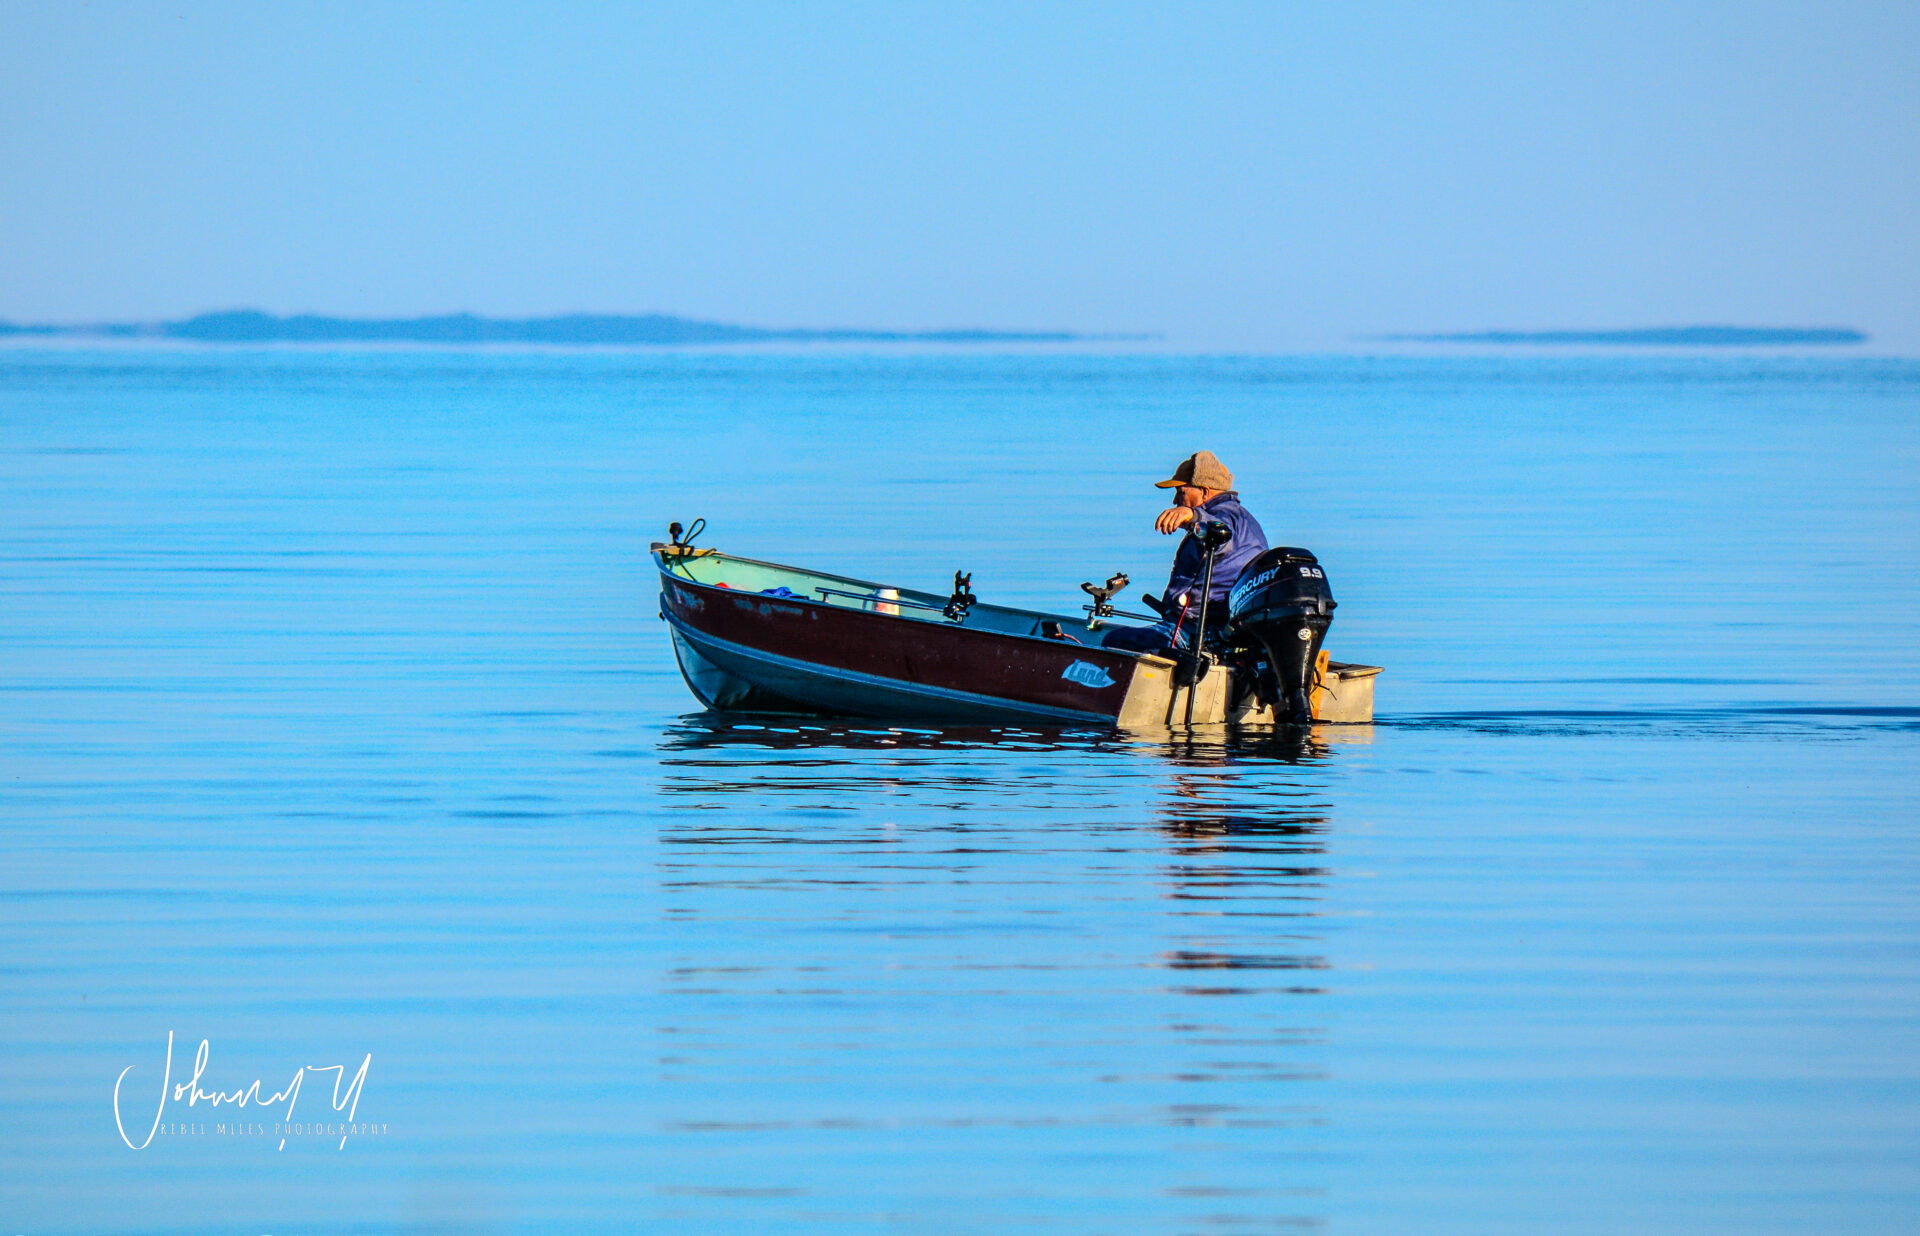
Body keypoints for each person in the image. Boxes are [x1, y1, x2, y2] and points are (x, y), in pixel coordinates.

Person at [1100, 450, 1269, 654]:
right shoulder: (1247, 521)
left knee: (1113, 641)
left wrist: (1193, 515)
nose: (1174, 501)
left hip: (1196, 631)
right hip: (1220, 631)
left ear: (1204, 492)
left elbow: (1223, 535)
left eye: (1181, 493)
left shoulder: (1224, 518)